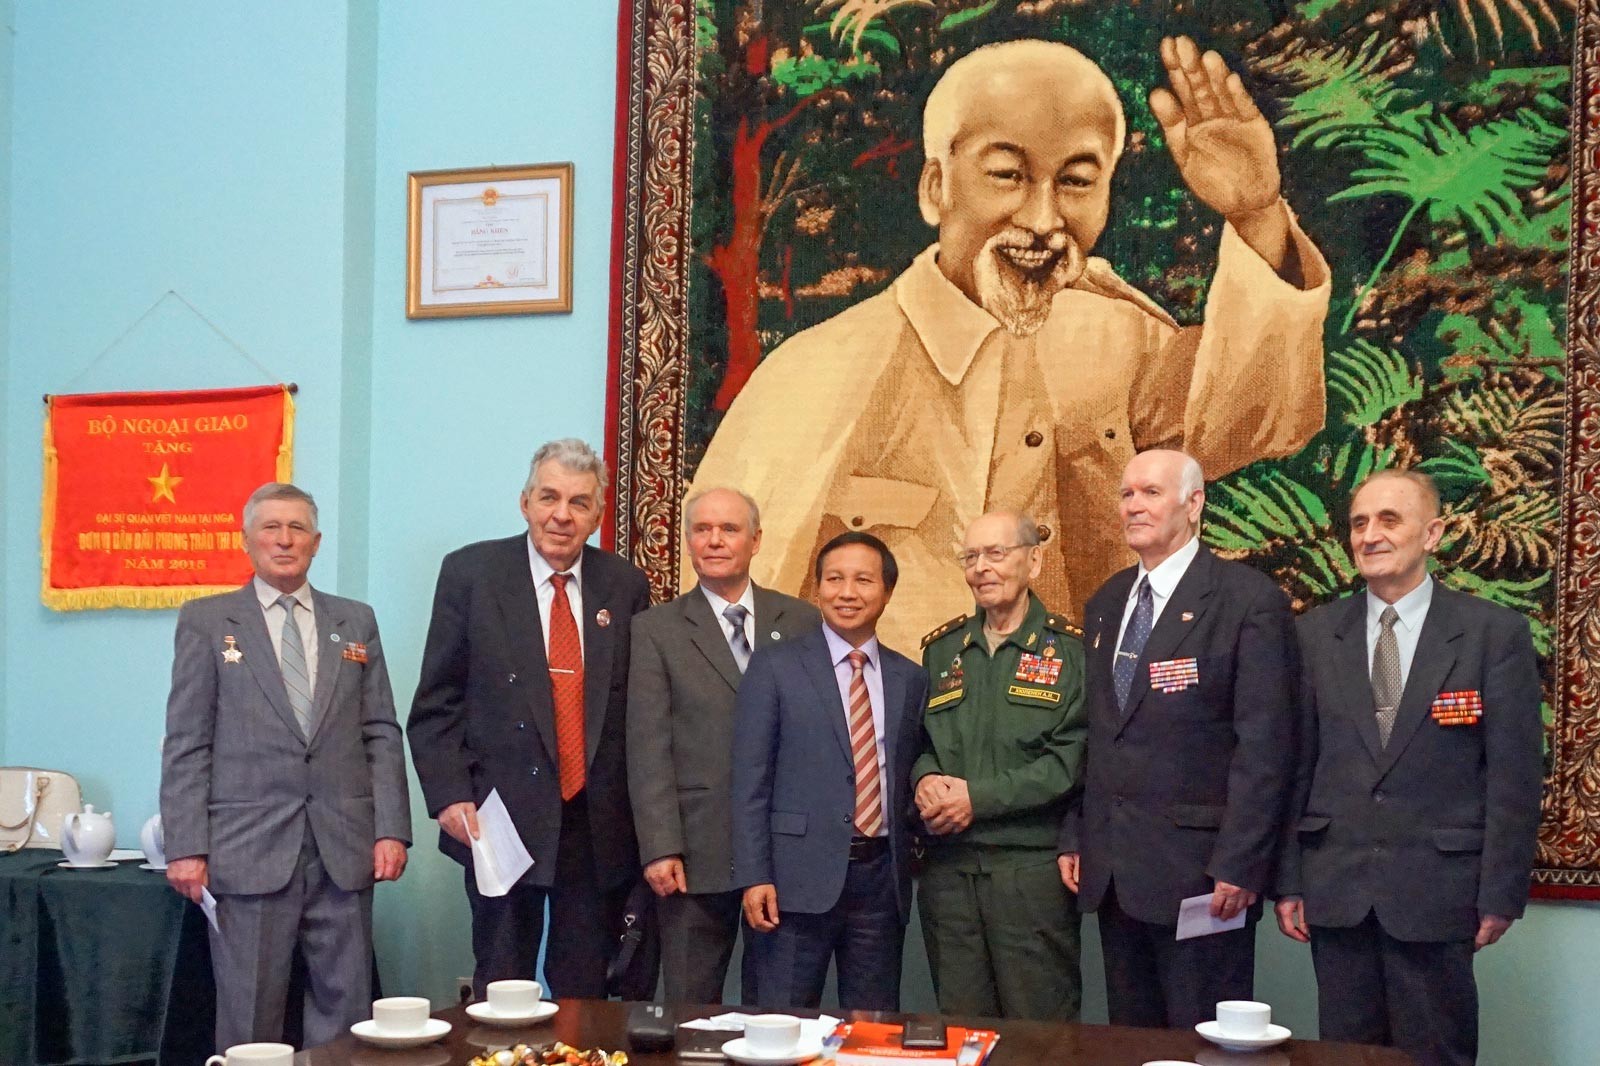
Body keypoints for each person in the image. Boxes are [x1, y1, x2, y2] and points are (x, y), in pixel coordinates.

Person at [685, 35, 1330, 651]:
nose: (1043, 220)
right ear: (936, 188)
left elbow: (1255, 421)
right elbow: (727, 615)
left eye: (1076, 181)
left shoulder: (1118, 338)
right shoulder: (817, 373)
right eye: (1007, 175)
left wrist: (1256, 215)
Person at [1274, 470, 1543, 1066]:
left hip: (1440, 891)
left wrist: (1501, 892)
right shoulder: (1313, 636)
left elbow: (1515, 778)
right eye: (1359, 523)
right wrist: (1288, 879)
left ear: (1433, 533)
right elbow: (1293, 766)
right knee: (1344, 1058)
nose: (1369, 535)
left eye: (1389, 519)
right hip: (1337, 889)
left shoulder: (1492, 634)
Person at [160, 482, 411, 1050]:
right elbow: (187, 743)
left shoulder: (355, 621)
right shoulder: (208, 621)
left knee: (346, 1014)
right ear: (246, 539)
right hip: (247, 850)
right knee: (249, 1016)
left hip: (343, 849)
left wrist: (391, 829)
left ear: (316, 543)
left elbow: (380, 730)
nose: (284, 539)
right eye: (270, 527)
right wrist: (186, 845)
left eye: (297, 528)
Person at [1058, 449, 1297, 1028]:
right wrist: (1077, 833)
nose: (1134, 506)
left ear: (1194, 504)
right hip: (1114, 873)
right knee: (1132, 1042)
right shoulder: (1106, 601)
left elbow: (1266, 748)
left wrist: (1240, 863)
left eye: (1151, 492)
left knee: (1204, 1041)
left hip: (1204, 876)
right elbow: (1099, 734)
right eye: (1126, 494)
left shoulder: (1246, 600)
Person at [408, 438, 655, 998]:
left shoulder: (624, 585)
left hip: (593, 826)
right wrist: (450, 795)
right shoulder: (471, 573)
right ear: (525, 503)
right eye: (549, 497)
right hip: (498, 817)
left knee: (584, 993)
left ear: (597, 515)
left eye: (579, 502)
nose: (561, 515)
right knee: (503, 985)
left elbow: (636, 711)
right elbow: (437, 702)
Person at [627, 487, 820, 1004]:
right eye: (702, 529)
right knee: (690, 1009)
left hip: (783, 851)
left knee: (778, 1010)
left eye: (729, 529)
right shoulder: (655, 630)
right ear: (688, 541)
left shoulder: (801, 621)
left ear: (755, 541)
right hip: (693, 852)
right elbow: (647, 747)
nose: (715, 540)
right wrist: (660, 846)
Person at [730, 532, 928, 1010]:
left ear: (887, 591)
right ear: (817, 588)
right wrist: (754, 875)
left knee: (872, 1026)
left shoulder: (910, 677)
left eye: (863, 580)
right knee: (780, 1022)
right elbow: (749, 781)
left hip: (880, 882)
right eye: (834, 579)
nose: (847, 593)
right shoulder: (776, 667)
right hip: (792, 882)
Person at [915, 510, 1088, 1020]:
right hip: (949, 872)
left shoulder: (1071, 652)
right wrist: (924, 778)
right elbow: (918, 741)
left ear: (1033, 561)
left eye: (996, 553)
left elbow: (1072, 759)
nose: (981, 568)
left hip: (1028, 870)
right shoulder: (943, 651)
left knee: (1040, 1033)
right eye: (971, 556)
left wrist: (978, 799)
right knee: (960, 1026)